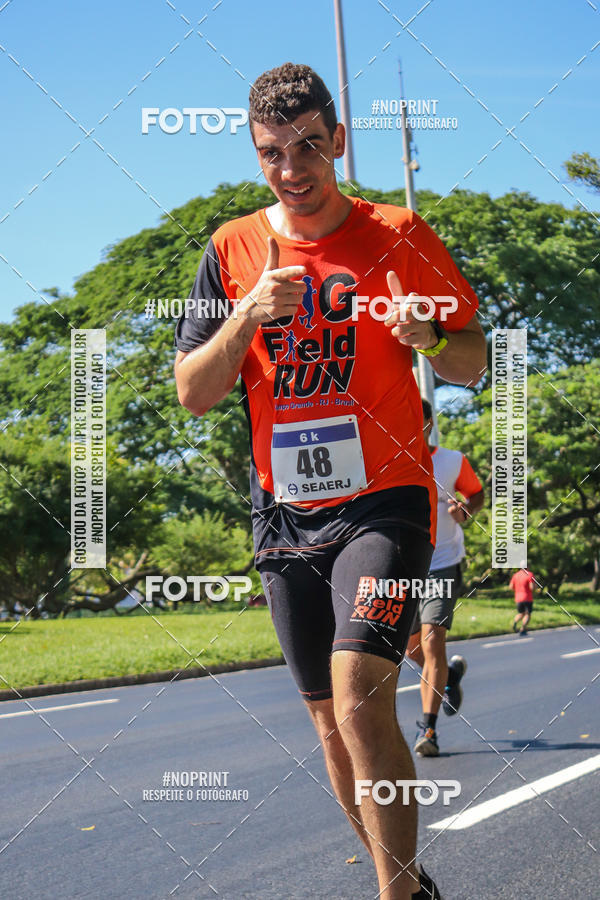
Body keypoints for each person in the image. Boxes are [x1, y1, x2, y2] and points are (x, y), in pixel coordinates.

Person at [174, 62, 487, 899]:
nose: (292, 168)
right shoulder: (232, 249)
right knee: (327, 722)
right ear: (255, 151)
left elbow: (475, 360)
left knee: (358, 694)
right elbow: (194, 393)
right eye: (273, 152)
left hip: (385, 502)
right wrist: (246, 316)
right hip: (285, 515)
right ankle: (411, 886)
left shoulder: (399, 234)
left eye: (309, 146)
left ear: (338, 141)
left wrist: (427, 335)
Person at [405, 400, 484, 757]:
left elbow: (477, 493)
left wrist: (466, 508)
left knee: (433, 642)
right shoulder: (386, 460)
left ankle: (428, 730)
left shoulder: (452, 460)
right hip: (401, 566)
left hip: (442, 561)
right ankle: (449, 678)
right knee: (410, 650)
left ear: (428, 422)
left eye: (416, 420)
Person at [510, 568, 535, 634]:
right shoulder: (529, 574)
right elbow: (531, 587)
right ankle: (523, 628)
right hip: (527, 598)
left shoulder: (515, 575)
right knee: (527, 614)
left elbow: (511, 587)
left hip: (518, 598)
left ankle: (514, 622)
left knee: (521, 613)